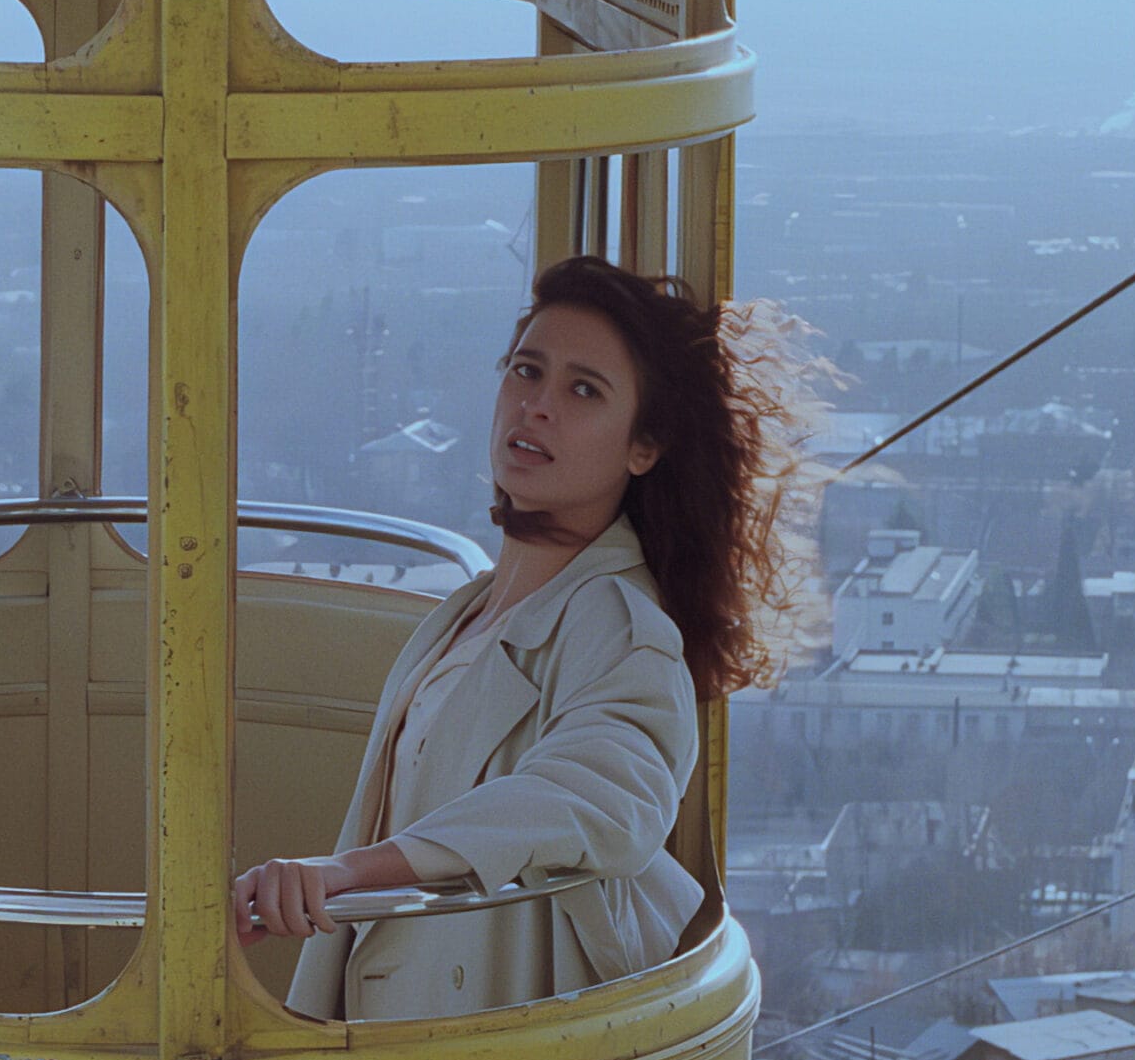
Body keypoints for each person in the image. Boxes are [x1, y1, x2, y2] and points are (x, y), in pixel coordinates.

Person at [236, 254, 809, 1021]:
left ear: (643, 446)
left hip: (496, 1042)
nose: (537, 407)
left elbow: (598, 793)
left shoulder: (622, 625)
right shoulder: (467, 610)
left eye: (584, 390)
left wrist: (350, 874)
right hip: (402, 1022)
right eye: (527, 371)